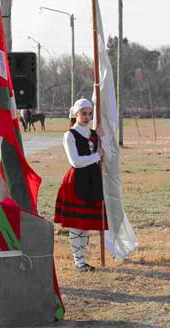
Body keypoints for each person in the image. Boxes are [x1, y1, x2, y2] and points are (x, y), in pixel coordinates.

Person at [54, 98, 108, 272]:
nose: (87, 117)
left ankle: (82, 260)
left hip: (93, 180)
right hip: (77, 181)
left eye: (89, 114)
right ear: (76, 114)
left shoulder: (93, 134)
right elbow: (75, 161)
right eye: (84, 113)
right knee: (77, 224)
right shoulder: (69, 135)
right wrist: (96, 156)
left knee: (85, 224)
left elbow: (105, 154)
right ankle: (79, 262)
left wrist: (102, 138)